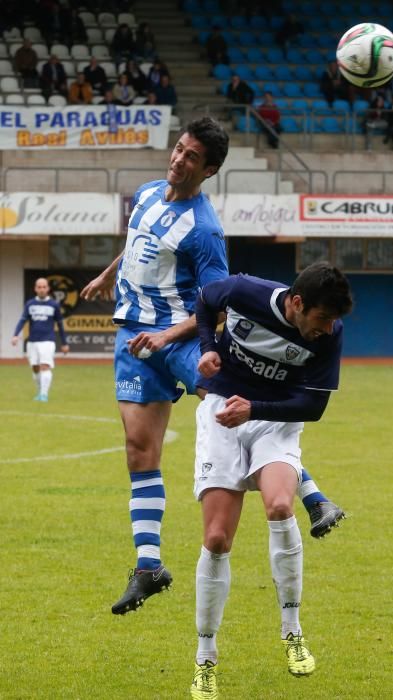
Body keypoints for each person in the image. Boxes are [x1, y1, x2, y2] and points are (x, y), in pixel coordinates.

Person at [80, 117, 344, 618]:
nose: (178, 160)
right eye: (178, 150)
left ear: (210, 170)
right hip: (132, 337)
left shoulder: (205, 232)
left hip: (176, 339)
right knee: (140, 450)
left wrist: (166, 335)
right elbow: (138, 238)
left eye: (191, 157)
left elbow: (214, 304)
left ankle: (313, 497)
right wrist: (106, 274)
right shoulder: (148, 192)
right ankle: (148, 567)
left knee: (229, 409)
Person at [189, 263, 353, 698]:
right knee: (218, 538)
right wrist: (207, 347)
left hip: (273, 419)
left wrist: (255, 409)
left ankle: (292, 631)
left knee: (281, 505)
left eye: (333, 321)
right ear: (297, 303)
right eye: (321, 318)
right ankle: (206, 658)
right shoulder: (245, 292)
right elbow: (205, 301)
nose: (327, 328)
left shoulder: (330, 334)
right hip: (222, 411)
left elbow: (312, 407)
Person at [11, 277, 69, 402]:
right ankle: (39, 392)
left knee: (45, 366)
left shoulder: (54, 305)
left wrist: (64, 343)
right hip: (32, 341)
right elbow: (23, 320)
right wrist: (15, 334)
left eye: (44, 287)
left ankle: (44, 394)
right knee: (35, 367)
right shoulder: (30, 304)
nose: (42, 289)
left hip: (48, 341)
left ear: (48, 289)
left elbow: (60, 324)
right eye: (39, 287)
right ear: (35, 289)